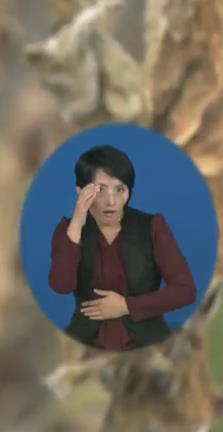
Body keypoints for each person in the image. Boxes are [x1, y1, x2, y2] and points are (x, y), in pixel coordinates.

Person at [47, 145, 196, 350]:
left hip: (147, 345)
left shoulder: (152, 227)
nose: (111, 201)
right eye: (99, 190)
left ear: (129, 192)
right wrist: (77, 224)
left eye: (120, 189)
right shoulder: (68, 230)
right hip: (85, 344)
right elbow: (61, 285)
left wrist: (126, 306)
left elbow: (185, 290)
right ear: (81, 192)